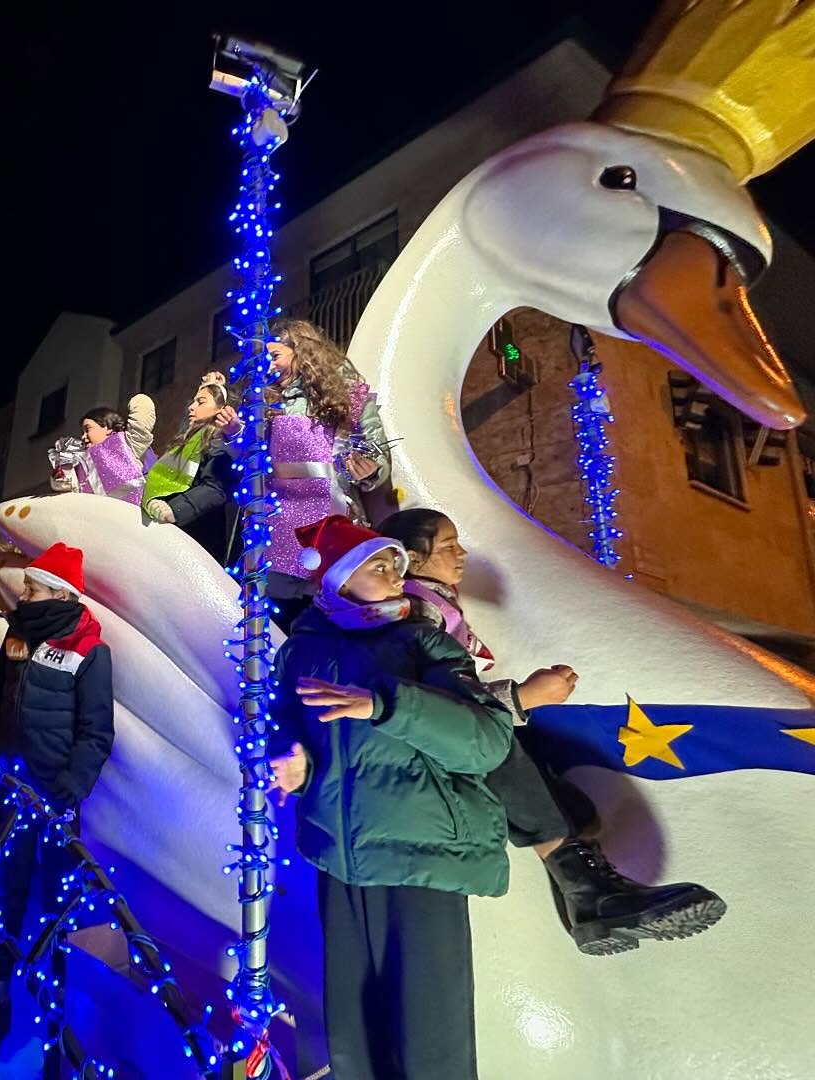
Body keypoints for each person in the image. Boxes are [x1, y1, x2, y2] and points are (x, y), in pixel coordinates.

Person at [378, 507, 726, 954]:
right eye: (447, 546)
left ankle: (588, 887)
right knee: (500, 746)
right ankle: (590, 895)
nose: (461, 553)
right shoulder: (416, 609)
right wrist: (521, 696)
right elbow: (440, 696)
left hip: (457, 729)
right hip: (440, 737)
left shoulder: (436, 602)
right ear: (412, 558)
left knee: (546, 773)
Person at [267, 513, 512, 1080]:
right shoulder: (298, 653)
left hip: (420, 857)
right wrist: (291, 759)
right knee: (353, 1041)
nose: (395, 574)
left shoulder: (423, 642)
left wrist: (383, 704)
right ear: (335, 580)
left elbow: (486, 740)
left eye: (397, 563)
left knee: (433, 1044)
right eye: (378, 564)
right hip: (340, 862)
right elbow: (283, 726)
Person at [0, 542, 115, 1070]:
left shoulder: (90, 648)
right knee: (5, 901)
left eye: (31, 586)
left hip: (52, 805)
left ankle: (55, 1029)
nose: (22, 593)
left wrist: (67, 790)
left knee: (55, 914)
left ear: (58, 593)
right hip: (6, 795)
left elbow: (96, 732)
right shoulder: (18, 634)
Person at [263, 318, 392, 629]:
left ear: (301, 352)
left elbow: (378, 449)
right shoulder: (263, 405)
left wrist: (369, 468)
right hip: (277, 537)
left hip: (333, 527)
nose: (268, 367)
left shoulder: (349, 396)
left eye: (275, 356)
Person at [143, 373, 241, 559]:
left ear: (222, 409)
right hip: (177, 531)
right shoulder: (190, 439)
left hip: (198, 538)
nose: (191, 406)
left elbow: (216, 487)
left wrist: (176, 510)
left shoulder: (218, 440)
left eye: (200, 402)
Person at [49, 395, 158, 505]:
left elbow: (141, 422)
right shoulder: (82, 463)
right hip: (100, 519)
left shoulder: (126, 443)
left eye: (88, 429)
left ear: (108, 427)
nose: (83, 436)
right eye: (82, 432)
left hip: (132, 516)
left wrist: (139, 399)